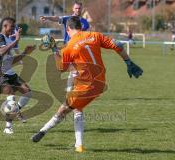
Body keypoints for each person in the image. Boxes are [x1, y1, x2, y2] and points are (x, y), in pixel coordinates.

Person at [31, 16, 143, 153]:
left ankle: (43, 131)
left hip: (86, 86)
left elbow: (61, 68)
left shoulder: (69, 46)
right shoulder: (95, 35)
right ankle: (79, 145)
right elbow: (118, 45)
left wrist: (54, 49)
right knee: (77, 109)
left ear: (67, 29)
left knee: (63, 109)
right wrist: (128, 62)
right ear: (81, 26)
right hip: (99, 83)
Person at [39, 2, 90, 149]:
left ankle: (77, 142)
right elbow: (57, 18)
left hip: (75, 57)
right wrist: (47, 17)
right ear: (73, 9)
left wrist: (54, 49)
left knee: (73, 105)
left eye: (79, 8)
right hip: (70, 57)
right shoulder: (67, 18)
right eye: (75, 8)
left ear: (82, 10)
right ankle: (78, 142)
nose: (77, 10)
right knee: (72, 102)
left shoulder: (84, 23)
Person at [0, 17, 36, 134]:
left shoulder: (8, 40)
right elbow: (1, 52)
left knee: (28, 92)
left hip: (10, 72)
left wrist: (26, 52)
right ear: (5, 26)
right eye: (11, 27)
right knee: (11, 96)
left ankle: (16, 111)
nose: (13, 29)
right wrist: (16, 40)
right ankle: (8, 127)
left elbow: (12, 60)